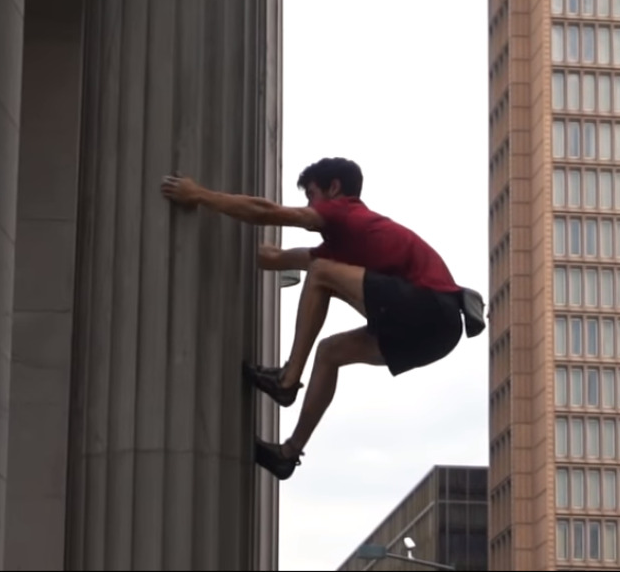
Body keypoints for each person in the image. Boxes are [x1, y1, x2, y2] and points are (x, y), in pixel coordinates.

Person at [159, 157, 481, 481]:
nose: (309, 205)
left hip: (431, 308)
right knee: (330, 352)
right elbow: (277, 258)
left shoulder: (344, 211)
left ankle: (287, 380)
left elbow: (268, 211)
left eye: (311, 195)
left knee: (321, 274)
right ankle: (287, 454)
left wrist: (198, 194)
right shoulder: (344, 245)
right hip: (435, 336)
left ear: (334, 188)